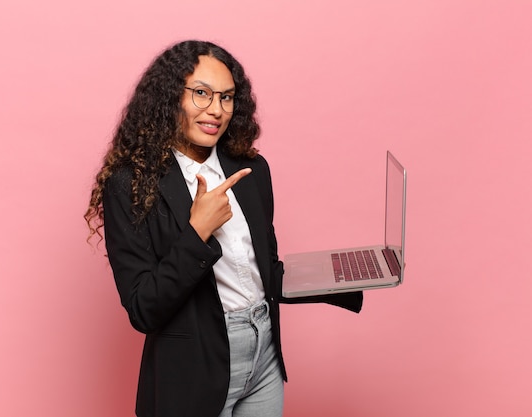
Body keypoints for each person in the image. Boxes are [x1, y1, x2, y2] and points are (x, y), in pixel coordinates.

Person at [85, 40, 363, 417]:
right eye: (201, 94)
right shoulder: (130, 184)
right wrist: (197, 232)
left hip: (264, 355)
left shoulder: (250, 170)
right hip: (193, 368)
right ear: (169, 98)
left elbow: (264, 271)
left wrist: (350, 276)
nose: (216, 110)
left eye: (227, 98)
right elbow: (143, 309)